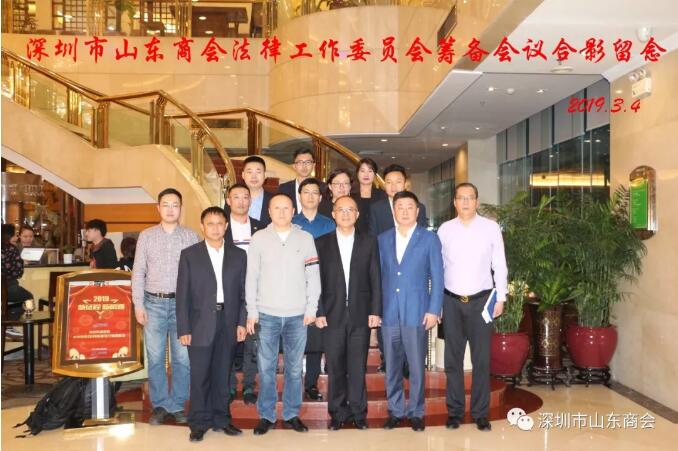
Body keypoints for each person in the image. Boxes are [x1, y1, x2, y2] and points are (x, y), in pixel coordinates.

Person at [245, 194, 321, 435]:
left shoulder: (305, 238)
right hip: (266, 314)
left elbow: (313, 276)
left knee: (294, 368)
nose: (281, 212)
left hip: (298, 315)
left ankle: (291, 414)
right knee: (266, 368)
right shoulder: (258, 238)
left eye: (286, 208)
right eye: (276, 208)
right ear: (269, 211)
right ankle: (266, 415)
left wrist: (311, 309)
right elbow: (251, 277)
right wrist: (252, 311)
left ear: (293, 211)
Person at [437, 182, 507, 432]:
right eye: (461, 198)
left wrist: (501, 298)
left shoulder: (490, 228)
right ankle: (455, 412)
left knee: (481, 360)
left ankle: (480, 413)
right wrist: (437, 303)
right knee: (452, 360)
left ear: (477, 201)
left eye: (470, 198)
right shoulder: (445, 230)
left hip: (482, 302)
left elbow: (500, 264)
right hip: (451, 302)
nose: (465, 202)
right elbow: (437, 268)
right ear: (454, 202)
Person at [176, 207, 247, 442]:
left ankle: (221, 419)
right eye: (210, 223)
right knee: (200, 376)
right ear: (202, 226)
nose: (215, 228)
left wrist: (241, 322)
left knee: (223, 375)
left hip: (228, 321)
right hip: (199, 324)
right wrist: (184, 328)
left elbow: (243, 293)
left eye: (219, 223)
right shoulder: (190, 255)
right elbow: (183, 294)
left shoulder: (239, 255)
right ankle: (199, 422)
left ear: (226, 226)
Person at [132, 188, 200, 425]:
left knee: (183, 358)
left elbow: (199, 274)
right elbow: (138, 272)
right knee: (156, 357)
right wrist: (138, 304)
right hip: (153, 304)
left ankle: (178, 404)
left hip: (183, 306)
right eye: (166, 205)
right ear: (158, 208)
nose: (171, 209)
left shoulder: (191, 236)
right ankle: (160, 405)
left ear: (181, 208)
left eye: (175, 205)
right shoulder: (147, 236)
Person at [378, 191, 443, 432]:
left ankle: (416, 411)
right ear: (393, 211)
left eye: (409, 207)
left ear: (417, 211)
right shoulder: (383, 239)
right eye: (400, 207)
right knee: (392, 365)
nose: (404, 211)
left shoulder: (429, 239)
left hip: (416, 311)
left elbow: (438, 276)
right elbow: (378, 277)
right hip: (389, 312)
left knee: (416, 366)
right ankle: (395, 411)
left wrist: (434, 309)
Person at [314, 196, 381, 430]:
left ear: (357, 214)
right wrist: (319, 311)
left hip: (361, 313)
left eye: (350, 210)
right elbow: (316, 280)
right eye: (340, 210)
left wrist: (375, 311)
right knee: (335, 367)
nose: (345, 214)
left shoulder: (369, 241)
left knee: (357, 366)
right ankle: (338, 413)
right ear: (333, 214)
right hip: (331, 314)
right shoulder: (321, 243)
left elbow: (375, 277)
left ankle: (359, 413)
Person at [368, 164, 427, 372]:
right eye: (389, 182)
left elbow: (421, 240)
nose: (393, 186)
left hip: (411, 277)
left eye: (398, 182)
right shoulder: (376, 208)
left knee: (411, 326)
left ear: (405, 183)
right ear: (384, 185)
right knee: (388, 321)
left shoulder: (418, 207)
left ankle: (409, 364)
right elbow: (373, 240)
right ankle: (388, 360)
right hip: (387, 273)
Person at [291, 178, 335, 401]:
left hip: (323, 284)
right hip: (294, 285)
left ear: (320, 197)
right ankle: (292, 384)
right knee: (295, 336)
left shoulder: (329, 224)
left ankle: (311, 383)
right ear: (299, 196)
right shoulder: (291, 222)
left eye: (314, 193)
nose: (310, 196)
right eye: (305, 192)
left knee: (316, 338)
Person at [224, 183, 263, 406]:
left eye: (245, 197)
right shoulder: (221, 227)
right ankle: (229, 385)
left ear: (251, 201)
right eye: (236, 197)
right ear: (228, 201)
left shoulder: (261, 227)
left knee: (252, 342)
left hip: (256, 293)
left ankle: (249, 385)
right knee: (228, 341)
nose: (241, 201)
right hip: (228, 292)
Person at [225, 156, 273, 226]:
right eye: (249, 172)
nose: (254, 176)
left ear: (265, 175)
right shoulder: (232, 200)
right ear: (243, 175)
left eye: (258, 172)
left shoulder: (274, 200)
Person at [278, 149, 326, 214]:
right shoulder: (284, 188)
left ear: (314, 165)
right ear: (294, 166)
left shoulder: (323, 188)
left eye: (308, 162)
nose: (304, 166)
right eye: (300, 162)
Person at [1, 224, 33, 316]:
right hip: (8, 287)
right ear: (8, 236)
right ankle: (13, 320)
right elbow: (18, 273)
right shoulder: (12, 248)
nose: (16, 238)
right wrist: (21, 262)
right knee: (28, 298)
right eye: (14, 235)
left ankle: (5, 319)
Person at [352, 158, 387, 235]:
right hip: (355, 237)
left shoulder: (383, 195)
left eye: (370, 171)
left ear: (375, 175)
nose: (366, 175)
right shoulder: (350, 195)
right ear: (357, 174)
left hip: (377, 237)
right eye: (362, 171)